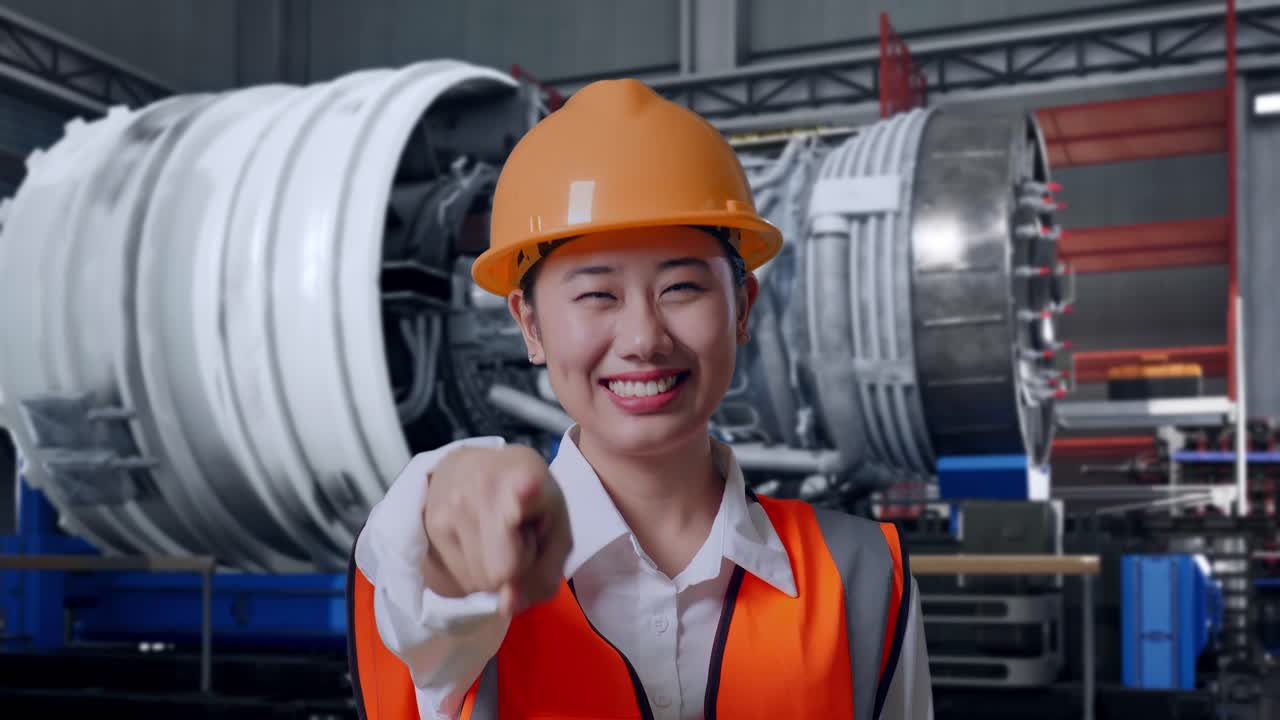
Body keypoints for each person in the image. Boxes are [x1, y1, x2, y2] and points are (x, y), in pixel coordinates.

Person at [348, 78, 933, 720]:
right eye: (597, 294)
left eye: (681, 287)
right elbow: (416, 572)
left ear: (743, 308)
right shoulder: (461, 580)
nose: (644, 339)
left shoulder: (862, 575)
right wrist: (450, 505)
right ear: (530, 325)